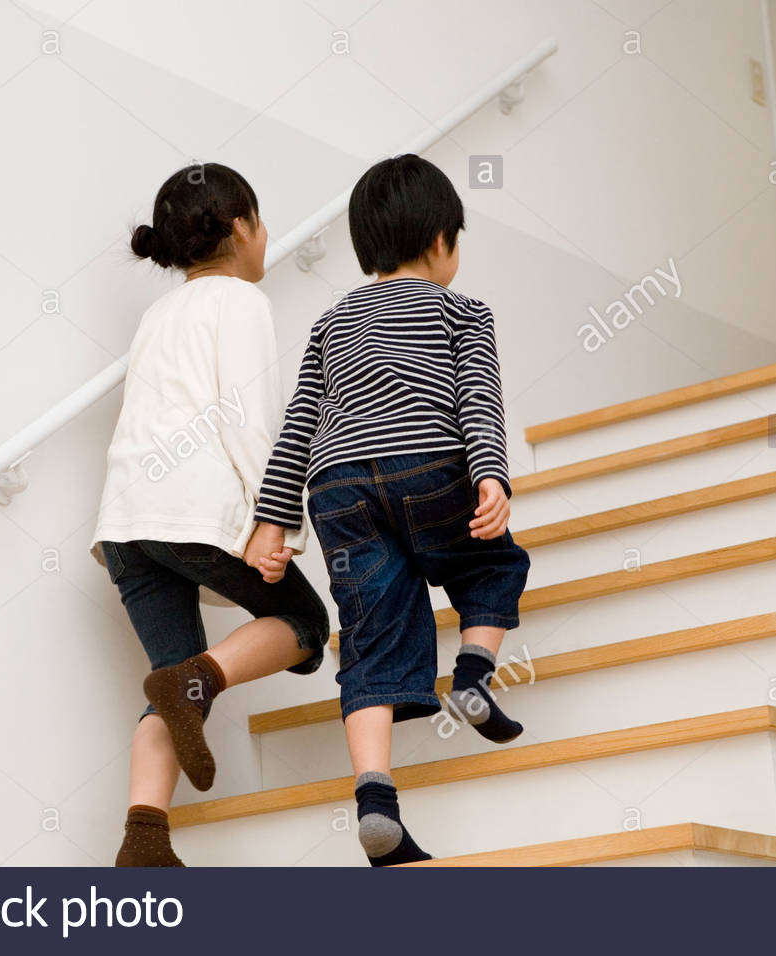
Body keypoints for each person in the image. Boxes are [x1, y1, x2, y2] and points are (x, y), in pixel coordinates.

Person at [253, 154, 531, 865]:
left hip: (337, 488)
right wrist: (492, 479)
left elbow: (299, 424)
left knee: (372, 636)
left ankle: (376, 800)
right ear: (442, 240)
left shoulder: (331, 322)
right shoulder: (462, 311)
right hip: (430, 467)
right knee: (491, 565)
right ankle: (470, 676)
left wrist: (273, 520)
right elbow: (478, 401)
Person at [91, 163, 329, 867]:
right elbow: (251, 420)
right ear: (239, 228)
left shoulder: (156, 315)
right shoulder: (241, 303)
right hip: (190, 511)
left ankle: (145, 837)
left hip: (126, 526)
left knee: (178, 678)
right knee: (306, 624)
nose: (266, 236)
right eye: (261, 221)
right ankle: (190, 685)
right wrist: (277, 520)